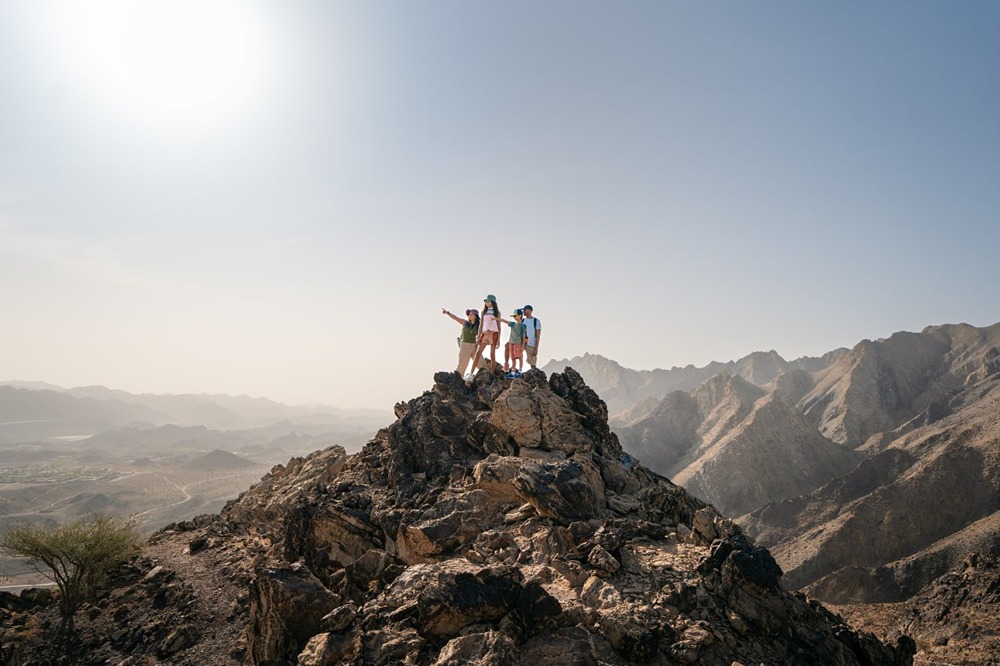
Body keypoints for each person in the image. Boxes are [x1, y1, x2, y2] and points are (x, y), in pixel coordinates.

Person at [442, 307, 480, 378]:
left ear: (476, 316)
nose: (469, 315)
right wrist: (447, 313)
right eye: (469, 314)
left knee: (482, 365)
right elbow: (455, 318)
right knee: (461, 367)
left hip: (474, 347)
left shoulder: (479, 326)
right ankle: (457, 383)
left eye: (472, 314)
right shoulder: (465, 323)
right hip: (464, 347)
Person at [471, 294, 501, 374]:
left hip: (494, 333)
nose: (487, 303)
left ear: (493, 302)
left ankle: (492, 374)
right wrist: (478, 336)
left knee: (492, 355)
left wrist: (499, 339)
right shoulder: (483, 312)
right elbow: (481, 324)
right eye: (486, 301)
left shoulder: (497, 313)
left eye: (488, 301)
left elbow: (499, 325)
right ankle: (471, 373)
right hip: (484, 334)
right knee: (478, 353)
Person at [499, 309, 528, 377]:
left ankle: (520, 371)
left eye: (515, 315)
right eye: (513, 316)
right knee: (513, 358)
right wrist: (496, 319)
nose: (514, 317)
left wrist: (523, 345)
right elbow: (505, 321)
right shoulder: (513, 324)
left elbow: (524, 336)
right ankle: (513, 372)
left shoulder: (522, 325)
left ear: (520, 315)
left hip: (518, 343)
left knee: (520, 357)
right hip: (511, 343)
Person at [522, 304, 541, 369]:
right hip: (522, 343)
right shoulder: (522, 321)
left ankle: (534, 375)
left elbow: (538, 336)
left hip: (531, 344)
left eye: (525, 310)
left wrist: (536, 348)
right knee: (517, 357)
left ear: (530, 311)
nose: (523, 311)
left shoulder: (536, 321)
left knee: (532, 363)